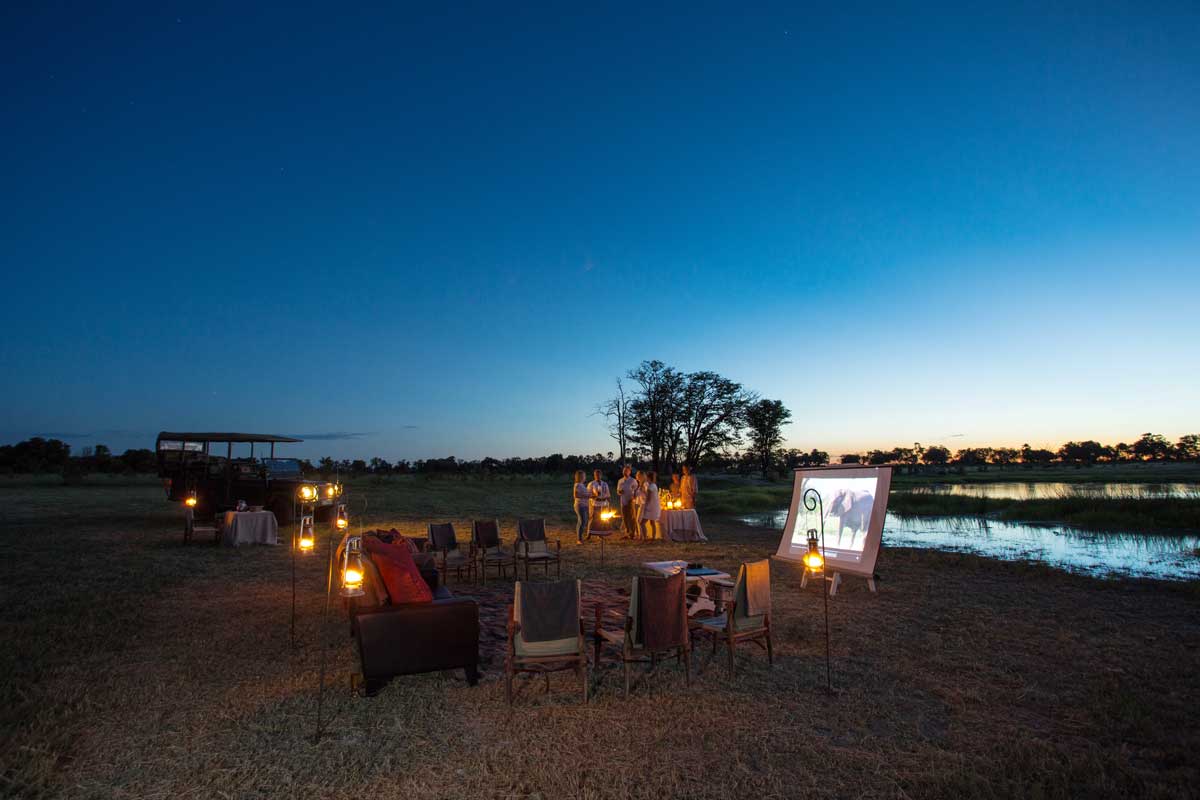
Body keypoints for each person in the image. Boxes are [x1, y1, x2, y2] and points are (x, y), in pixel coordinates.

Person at [616, 465, 638, 539]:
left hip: (630, 501)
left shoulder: (633, 480)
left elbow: (636, 490)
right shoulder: (620, 481)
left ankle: (632, 533)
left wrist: (633, 498)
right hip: (623, 501)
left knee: (631, 517)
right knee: (625, 518)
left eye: (627, 471)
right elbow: (618, 491)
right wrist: (619, 492)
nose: (625, 472)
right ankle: (627, 532)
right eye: (624, 470)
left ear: (629, 472)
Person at [640, 471, 662, 541]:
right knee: (652, 522)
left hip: (650, 507)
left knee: (642, 523)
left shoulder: (650, 486)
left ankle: (645, 537)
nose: (645, 478)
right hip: (654, 507)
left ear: (649, 478)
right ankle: (653, 537)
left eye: (646, 477)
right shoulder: (654, 485)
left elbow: (648, 498)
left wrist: (645, 507)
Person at [572, 470, 590, 544]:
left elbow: (585, 494)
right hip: (580, 505)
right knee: (582, 521)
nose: (585, 477)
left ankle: (579, 538)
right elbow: (576, 495)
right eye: (583, 476)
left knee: (581, 521)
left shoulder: (582, 485)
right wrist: (587, 496)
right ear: (580, 477)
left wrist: (591, 495)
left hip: (584, 505)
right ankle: (579, 539)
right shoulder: (577, 485)